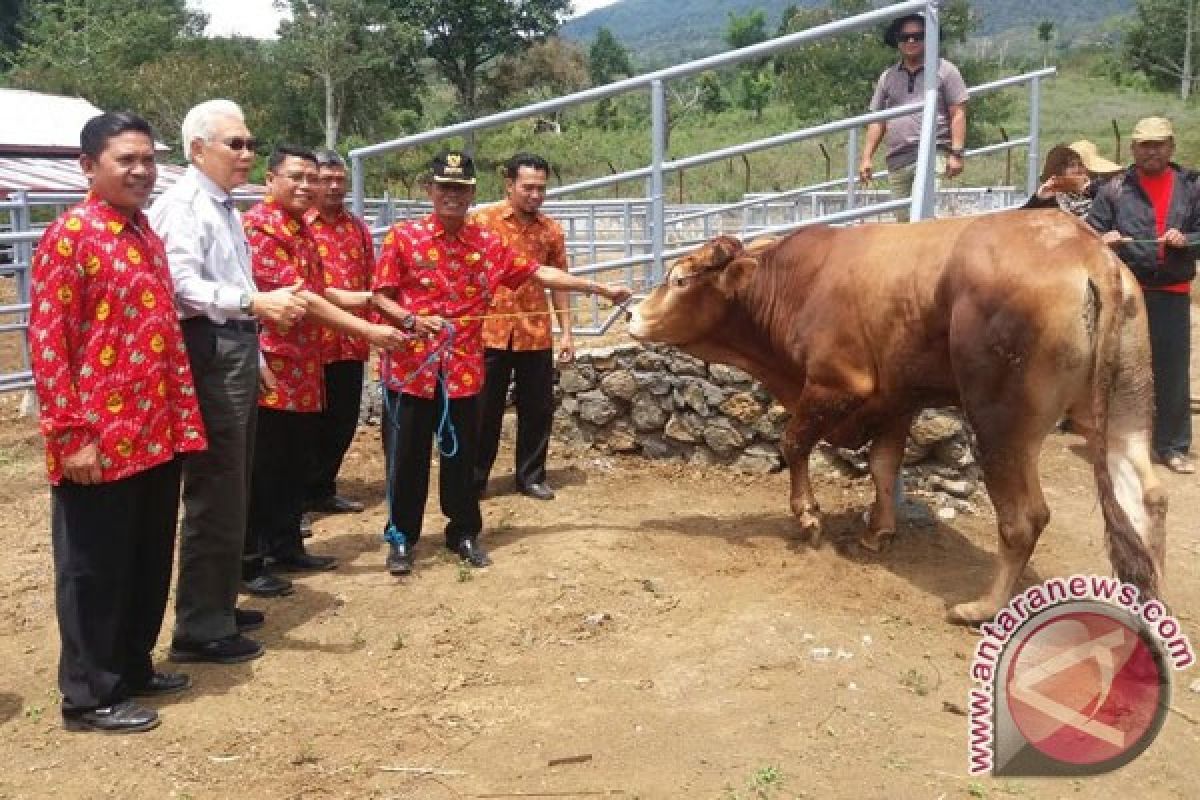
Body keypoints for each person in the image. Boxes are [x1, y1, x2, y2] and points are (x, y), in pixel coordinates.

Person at [371, 151, 631, 576]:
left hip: (463, 372)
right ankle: (401, 537)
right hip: (411, 371)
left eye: (461, 188)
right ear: (430, 191)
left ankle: (464, 532)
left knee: (462, 457)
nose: (452, 195)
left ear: (472, 192)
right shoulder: (403, 237)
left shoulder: (487, 244)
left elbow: (540, 274)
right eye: (445, 187)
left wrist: (597, 288)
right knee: (408, 459)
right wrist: (409, 319)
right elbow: (380, 296)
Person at [30, 112, 207, 732]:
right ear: (89, 167)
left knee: (146, 557)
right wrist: (70, 436)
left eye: (147, 160)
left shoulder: (144, 234)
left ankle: (132, 666)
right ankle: (89, 695)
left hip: (156, 431)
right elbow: (50, 345)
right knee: (93, 568)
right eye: (125, 160)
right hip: (98, 441)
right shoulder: (70, 236)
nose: (140, 171)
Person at [149, 99, 305, 663]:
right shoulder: (184, 206)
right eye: (234, 145)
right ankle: (200, 624)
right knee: (215, 487)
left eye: (248, 144)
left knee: (233, 482)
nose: (247, 154)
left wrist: (254, 342)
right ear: (197, 150)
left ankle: (215, 602)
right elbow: (182, 284)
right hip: (210, 347)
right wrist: (251, 302)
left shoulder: (221, 207)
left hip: (233, 345)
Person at [242, 146, 407, 586]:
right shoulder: (260, 227)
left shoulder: (300, 228)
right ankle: (253, 560)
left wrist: (375, 303)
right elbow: (303, 299)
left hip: (304, 366)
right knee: (268, 465)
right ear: (270, 179)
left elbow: (322, 291)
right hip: (273, 368)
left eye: (312, 178)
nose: (307, 186)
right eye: (296, 177)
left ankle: (285, 547)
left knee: (294, 460)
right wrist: (369, 331)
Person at [1086, 116, 1200, 474]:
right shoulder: (1113, 190)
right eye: (1145, 145)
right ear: (1133, 149)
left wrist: (1188, 239)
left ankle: (1172, 445)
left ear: (1171, 147)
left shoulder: (1192, 187)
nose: (1152, 151)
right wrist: (1104, 241)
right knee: (1117, 368)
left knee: (1171, 370)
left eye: (1159, 144)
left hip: (1172, 292)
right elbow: (1089, 232)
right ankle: (1117, 441)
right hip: (1125, 292)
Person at [473, 153, 573, 501]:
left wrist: (567, 332)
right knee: (484, 410)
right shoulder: (481, 222)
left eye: (541, 188)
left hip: (535, 332)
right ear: (509, 185)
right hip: (489, 332)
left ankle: (530, 475)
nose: (535, 194)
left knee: (537, 408)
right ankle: (475, 477)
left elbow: (559, 283)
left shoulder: (551, 230)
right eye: (528, 187)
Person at [303, 149, 373, 516]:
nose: (333, 187)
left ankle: (322, 489)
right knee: (306, 426)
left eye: (339, 180)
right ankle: (294, 501)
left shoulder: (356, 228)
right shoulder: (301, 226)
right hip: (312, 344)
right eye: (324, 179)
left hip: (351, 342)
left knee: (342, 421)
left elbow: (370, 278)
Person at [858, 12, 968, 222]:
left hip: (931, 153)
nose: (911, 41)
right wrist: (866, 157)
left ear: (929, 38)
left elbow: (958, 113)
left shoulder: (945, 71)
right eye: (905, 37)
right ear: (897, 41)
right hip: (897, 158)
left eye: (918, 36)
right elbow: (878, 120)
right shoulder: (888, 77)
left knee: (921, 215)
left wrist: (957, 153)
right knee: (903, 219)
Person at [1026, 142, 1123, 217]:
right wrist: (1038, 199)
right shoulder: (1051, 200)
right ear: (1062, 170)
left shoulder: (1101, 195)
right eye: (1071, 165)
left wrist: (1091, 189)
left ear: (1091, 170)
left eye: (1081, 165)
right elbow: (1019, 223)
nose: (1077, 170)